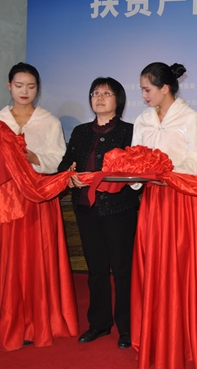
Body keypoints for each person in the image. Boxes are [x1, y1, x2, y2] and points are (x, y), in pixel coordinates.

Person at [130, 62, 197, 369]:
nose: (143, 95)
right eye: (142, 90)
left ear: (165, 88)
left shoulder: (191, 118)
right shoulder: (142, 120)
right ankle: (155, 337)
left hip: (179, 200)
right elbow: (134, 159)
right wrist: (137, 173)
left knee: (181, 267)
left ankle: (185, 338)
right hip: (152, 202)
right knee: (153, 267)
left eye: (147, 89)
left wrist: (166, 172)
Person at [0, 62, 78, 350]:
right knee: (8, 262)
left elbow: (58, 160)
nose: (25, 91)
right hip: (7, 201)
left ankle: (39, 322)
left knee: (37, 261)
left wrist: (33, 158)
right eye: (19, 85)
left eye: (31, 86)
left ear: (38, 88)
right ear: (9, 86)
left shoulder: (49, 121)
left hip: (38, 198)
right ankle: (8, 320)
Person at [58, 77, 140, 349]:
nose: (100, 98)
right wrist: (69, 177)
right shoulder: (81, 132)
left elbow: (135, 171)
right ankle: (99, 323)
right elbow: (64, 166)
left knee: (123, 269)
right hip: (86, 209)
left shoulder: (130, 131)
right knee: (96, 270)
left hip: (119, 209)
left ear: (119, 99)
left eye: (106, 93)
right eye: (95, 93)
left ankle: (127, 328)